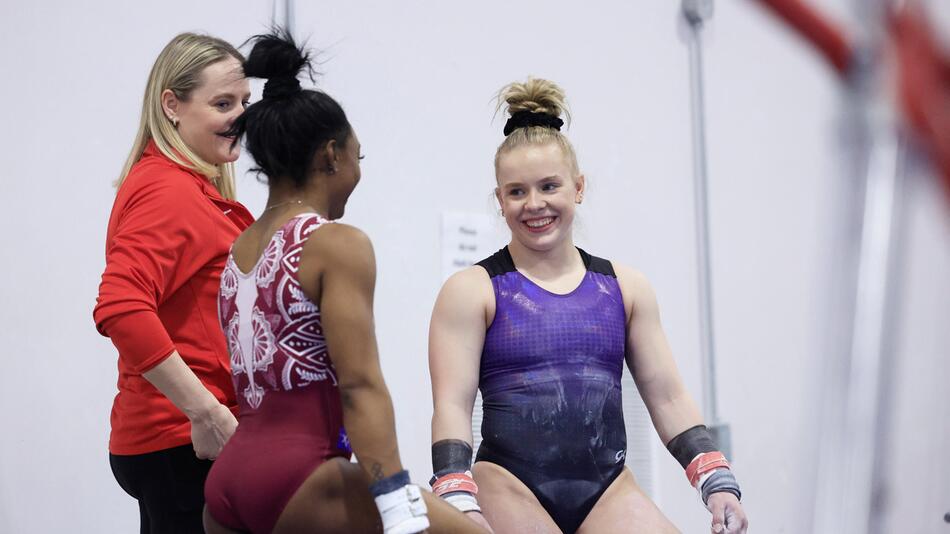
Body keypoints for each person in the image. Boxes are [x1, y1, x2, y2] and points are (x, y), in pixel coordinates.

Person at [428, 78, 749, 534]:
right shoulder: (473, 290)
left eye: (549, 186)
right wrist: (457, 495)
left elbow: (668, 396)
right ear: (500, 201)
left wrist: (716, 481)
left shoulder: (624, 288)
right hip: (507, 483)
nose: (534, 204)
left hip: (607, 488)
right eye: (516, 191)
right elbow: (452, 404)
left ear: (577, 188)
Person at [202, 30, 489, 534]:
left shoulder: (239, 250)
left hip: (229, 484)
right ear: (331, 156)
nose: (358, 173)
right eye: (359, 158)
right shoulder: (336, 243)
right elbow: (359, 386)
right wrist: (397, 503)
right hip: (302, 476)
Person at [93, 33, 254, 533]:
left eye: (246, 102)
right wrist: (205, 412)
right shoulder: (167, 190)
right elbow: (120, 306)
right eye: (223, 103)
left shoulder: (187, 188)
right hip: (183, 445)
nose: (240, 116)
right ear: (172, 106)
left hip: (181, 445)